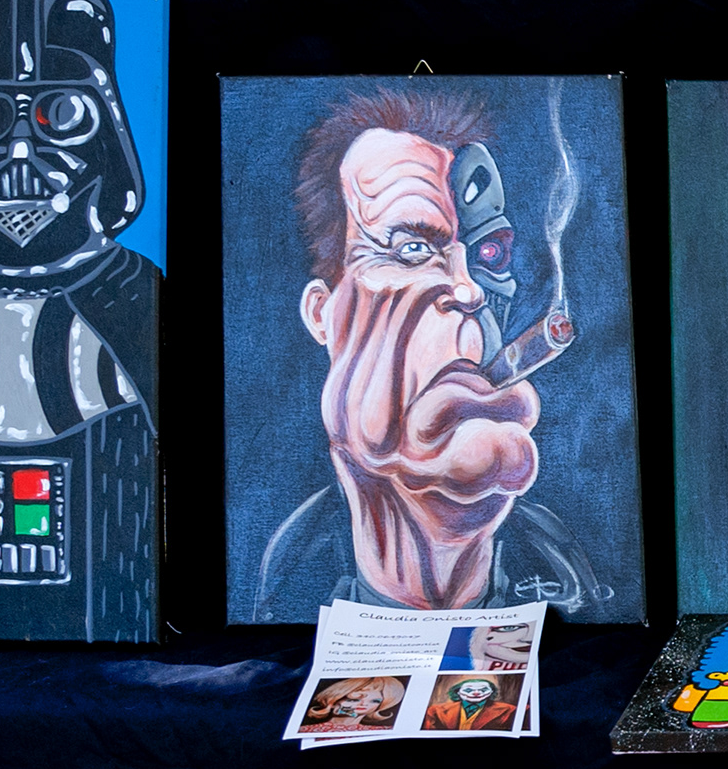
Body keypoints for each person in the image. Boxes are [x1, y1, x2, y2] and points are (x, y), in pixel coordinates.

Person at [250, 89, 610, 618]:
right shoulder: (280, 586)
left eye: (490, 255)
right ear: (324, 315)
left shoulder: (574, 582)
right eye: (412, 249)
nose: (469, 290)